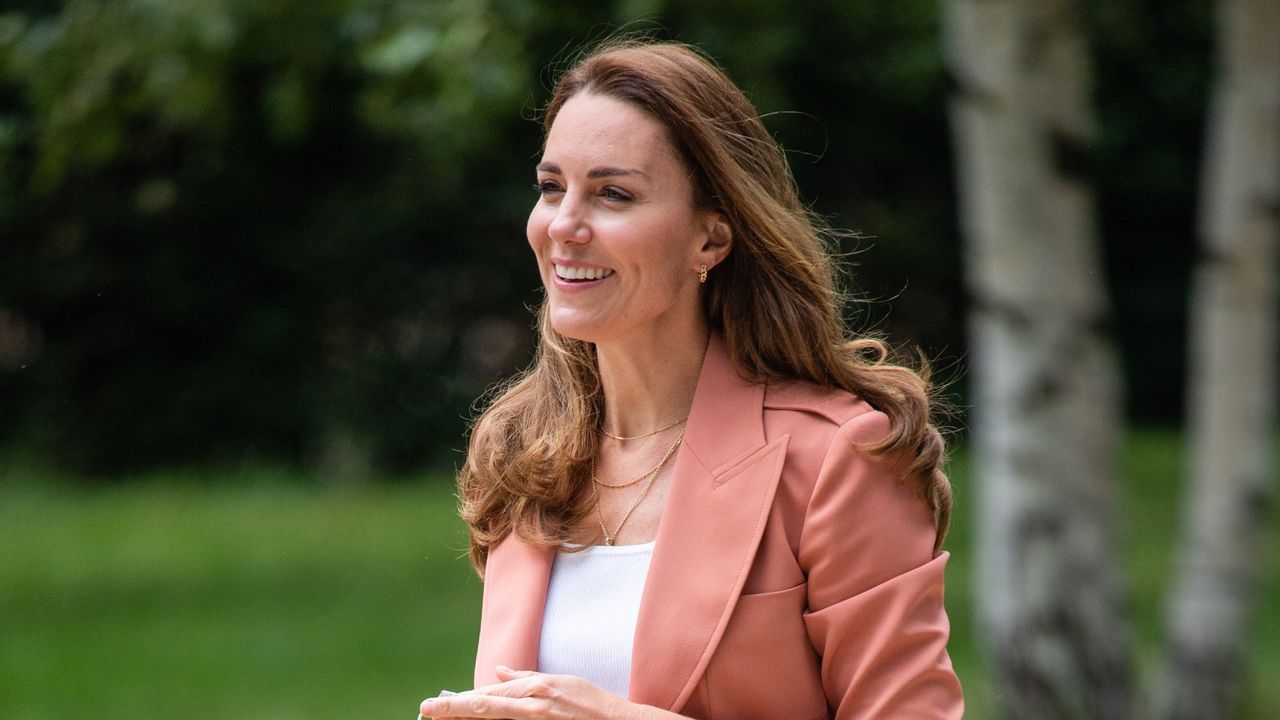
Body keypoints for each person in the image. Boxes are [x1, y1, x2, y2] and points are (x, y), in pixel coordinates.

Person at [420, 39, 963, 720]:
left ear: (711, 238)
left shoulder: (837, 459)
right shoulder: (523, 454)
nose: (563, 225)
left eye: (613, 194)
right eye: (552, 187)